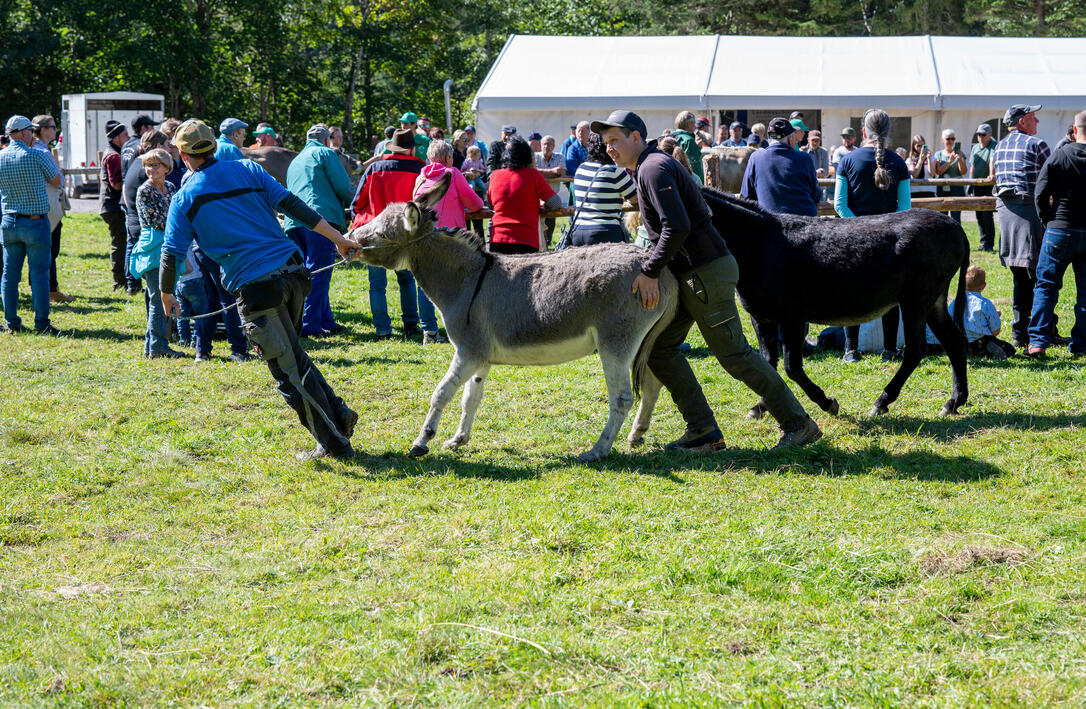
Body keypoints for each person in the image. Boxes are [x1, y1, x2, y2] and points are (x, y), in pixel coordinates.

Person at [594, 109, 821, 451]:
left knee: (736, 356)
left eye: (615, 140)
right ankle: (702, 430)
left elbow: (677, 225)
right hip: (694, 273)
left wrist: (650, 271)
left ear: (637, 137)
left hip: (704, 272)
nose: (609, 148)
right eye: (606, 142)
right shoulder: (649, 166)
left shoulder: (653, 168)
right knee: (659, 349)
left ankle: (798, 423)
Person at [160, 119, 359, 461]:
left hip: (257, 289)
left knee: (287, 373)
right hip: (295, 274)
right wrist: (338, 238)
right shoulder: (249, 170)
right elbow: (294, 206)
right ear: (214, 145)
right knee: (292, 356)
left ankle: (334, 443)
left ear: (181, 153)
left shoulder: (184, 198)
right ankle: (337, 411)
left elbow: (171, 254)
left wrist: (166, 294)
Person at [834, 108, 912, 364]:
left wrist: (859, 229)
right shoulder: (899, 163)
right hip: (889, 239)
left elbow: (839, 204)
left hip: (853, 237)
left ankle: (850, 350)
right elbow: (904, 208)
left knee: (851, 292)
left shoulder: (846, 161)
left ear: (863, 131)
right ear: (888, 132)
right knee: (892, 295)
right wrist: (883, 229)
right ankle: (890, 350)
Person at [350, 128, 424, 339]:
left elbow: (357, 203)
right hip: (406, 234)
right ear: (411, 149)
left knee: (377, 284)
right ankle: (411, 324)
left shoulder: (374, 168)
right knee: (407, 280)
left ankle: (383, 329)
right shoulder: (420, 169)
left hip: (375, 232)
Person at [285, 124, 355, 337]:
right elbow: (343, 186)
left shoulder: (295, 160)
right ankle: (310, 325)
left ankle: (325, 319)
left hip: (293, 223)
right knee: (319, 273)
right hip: (320, 220)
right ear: (326, 140)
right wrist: (359, 204)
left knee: (308, 272)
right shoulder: (326, 153)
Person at [1026, 110, 1086, 358]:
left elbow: (1040, 192)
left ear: (1074, 128)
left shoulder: (1060, 154)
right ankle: (1081, 344)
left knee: (1046, 287)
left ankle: (1038, 342)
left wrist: (1046, 219)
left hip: (1059, 228)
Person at [412, 139, 485, 343]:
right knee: (459, 284)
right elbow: (475, 203)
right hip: (448, 239)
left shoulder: (420, 178)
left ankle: (430, 332)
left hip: (422, 237)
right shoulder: (452, 174)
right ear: (447, 158)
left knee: (425, 284)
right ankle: (460, 329)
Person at [993, 103, 1052, 348]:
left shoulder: (998, 147)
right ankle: (1039, 331)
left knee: (1019, 275)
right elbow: (1053, 177)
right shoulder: (1037, 145)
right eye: (1033, 117)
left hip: (1006, 213)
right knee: (1042, 275)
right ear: (1022, 122)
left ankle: (1020, 332)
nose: (1037, 122)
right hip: (1030, 212)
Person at [0, 115, 62, 335]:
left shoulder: (0, 157)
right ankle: (42, 323)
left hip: (9, 221)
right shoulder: (36, 154)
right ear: (25, 132)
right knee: (39, 274)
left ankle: (12, 323)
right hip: (35, 222)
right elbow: (56, 180)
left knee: (9, 275)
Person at [129, 147, 183, 359]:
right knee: (159, 300)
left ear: (167, 167)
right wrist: (178, 226)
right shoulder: (145, 190)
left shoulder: (170, 187)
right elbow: (157, 221)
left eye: (156, 165)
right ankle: (158, 347)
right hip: (152, 248)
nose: (151, 169)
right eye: (148, 165)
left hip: (168, 245)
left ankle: (151, 347)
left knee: (158, 298)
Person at [487, 135, 562, 254]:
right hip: (526, 241)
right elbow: (556, 203)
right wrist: (543, 204)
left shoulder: (495, 176)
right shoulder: (533, 175)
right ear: (527, 156)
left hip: (498, 240)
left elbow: (491, 204)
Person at [30, 114, 74, 303]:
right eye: (53, 127)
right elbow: (55, 179)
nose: (56, 130)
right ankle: (50, 288)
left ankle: (42, 286)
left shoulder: (37, 148)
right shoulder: (42, 151)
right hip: (48, 203)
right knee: (50, 247)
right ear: (42, 129)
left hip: (44, 202)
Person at [741, 117, 821, 217]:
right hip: (805, 223)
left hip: (771, 225)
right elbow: (816, 195)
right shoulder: (804, 158)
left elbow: (746, 196)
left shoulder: (756, 158)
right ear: (790, 139)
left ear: (769, 139)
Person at [122, 131, 169, 302]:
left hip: (135, 221)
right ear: (157, 147)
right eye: (165, 145)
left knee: (153, 287)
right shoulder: (149, 172)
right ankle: (156, 326)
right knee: (155, 287)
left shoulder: (137, 162)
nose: (168, 148)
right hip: (148, 231)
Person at [567, 132, 637, 246]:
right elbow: (635, 198)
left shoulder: (580, 169)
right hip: (605, 231)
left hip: (578, 231)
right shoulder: (615, 171)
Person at [99, 120, 135, 292]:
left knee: (121, 243)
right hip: (113, 207)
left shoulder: (116, 153)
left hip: (112, 206)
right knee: (119, 245)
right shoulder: (114, 156)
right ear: (115, 138)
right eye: (124, 135)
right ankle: (119, 283)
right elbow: (117, 185)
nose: (128, 137)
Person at [969, 123, 997, 252]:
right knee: (979, 214)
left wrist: (991, 174)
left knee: (987, 214)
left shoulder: (993, 145)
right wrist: (969, 185)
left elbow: (992, 160)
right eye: (978, 134)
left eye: (983, 134)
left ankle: (989, 244)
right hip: (976, 184)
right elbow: (972, 166)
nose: (980, 137)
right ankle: (983, 241)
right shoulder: (975, 147)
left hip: (987, 185)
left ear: (989, 135)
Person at [930, 128, 967, 224]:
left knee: (956, 216)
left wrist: (959, 159)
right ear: (943, 140)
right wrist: (949, 161)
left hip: (957, 188)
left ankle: (957, 238)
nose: (950, 141)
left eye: (952, 139)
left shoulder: (960, 153)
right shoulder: (938, 154)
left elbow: (963, 171)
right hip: (942, 187)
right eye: (948, 139)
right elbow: (938, 172)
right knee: (942, 216)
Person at [534, 135, 565, 248]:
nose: (547, 146)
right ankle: (539, 244)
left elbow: (562, 172)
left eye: (549, 144)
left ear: (554, 146)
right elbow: (534, 171)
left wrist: (542, 173)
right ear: (541, 145)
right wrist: (552, 171)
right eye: (545, 144)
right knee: (538, 220)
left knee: (551, 220)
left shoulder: (560, 156)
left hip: (552, 195)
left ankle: (547, 243)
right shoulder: (535, 156)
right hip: (537, 196)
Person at [669, 111, 705, 184]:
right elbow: (694, 165)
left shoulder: (668, 137)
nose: (695, 126)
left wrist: (697, 147)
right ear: (689, 125)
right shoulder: (689, 140)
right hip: (687, 182)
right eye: (693, 123)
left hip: (671, 178)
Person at [563, 122, 591, 194]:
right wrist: (589, 174)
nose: (580, 133)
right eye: (578, 131)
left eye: (583, 131)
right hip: (579, 183)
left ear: (589, 132)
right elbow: (571, 169)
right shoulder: (572, 149)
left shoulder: (594, 146)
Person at [905, 135, 934, 199]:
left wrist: (928, 158)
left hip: (929, 190)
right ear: (913, 146)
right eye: (918, 146)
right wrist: (921, 160)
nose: (921, 148)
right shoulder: (909, 160)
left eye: (922, 146)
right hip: (915, 191)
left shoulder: (932, 158)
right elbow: (915, 175)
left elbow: (932, 173)